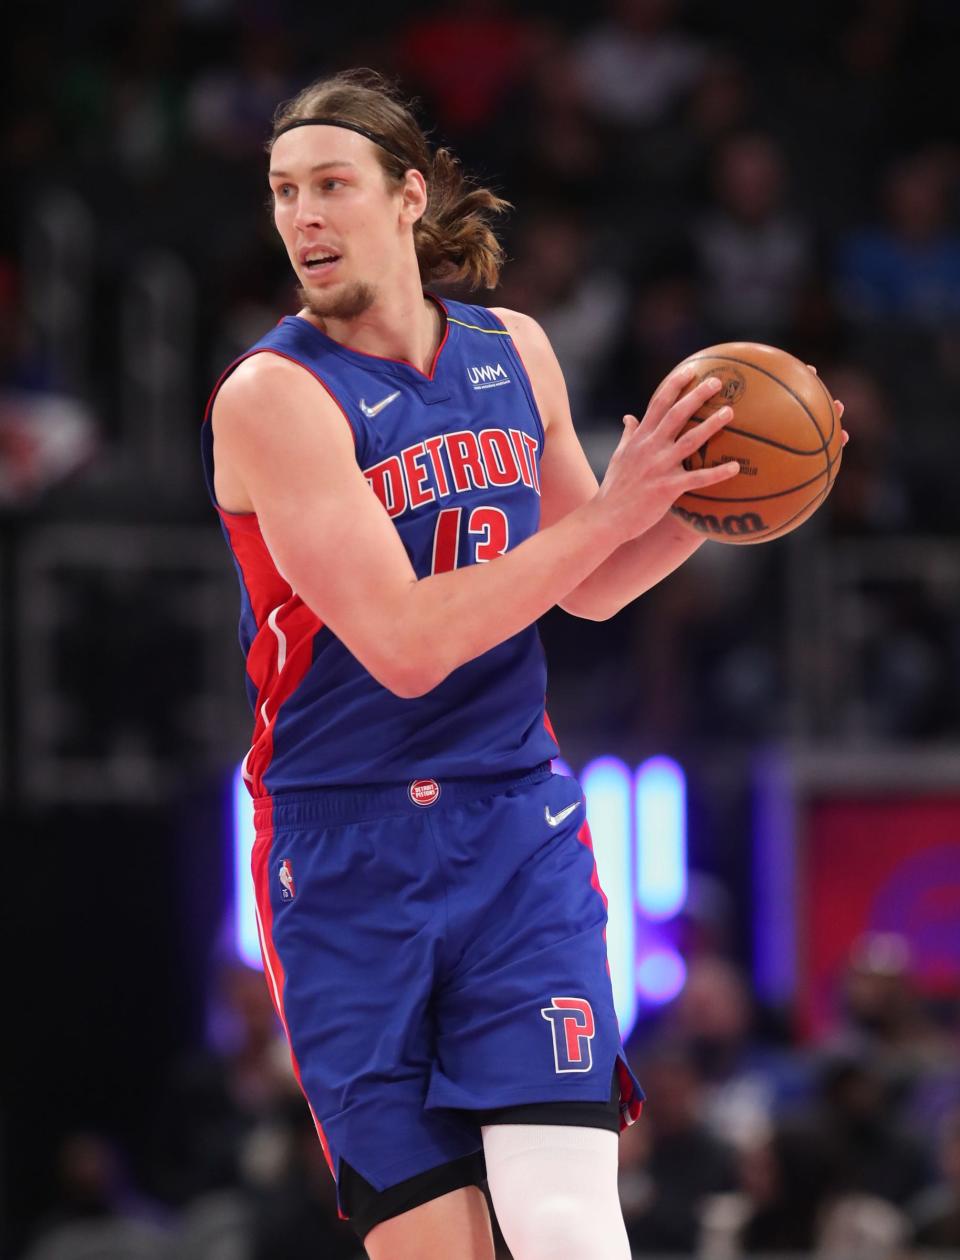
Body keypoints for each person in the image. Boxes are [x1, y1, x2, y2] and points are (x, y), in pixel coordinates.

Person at [200, 68, 837, 1260]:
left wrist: (713, 495)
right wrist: (616, 509)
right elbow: (402, 643)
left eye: (332, 185)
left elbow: (587, 583)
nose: (303, 217)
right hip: (345, 851)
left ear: (410, 195)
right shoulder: (273, 397)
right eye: (285, 192)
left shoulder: (515, 349)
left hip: (515, 827)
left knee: (568, 1228)